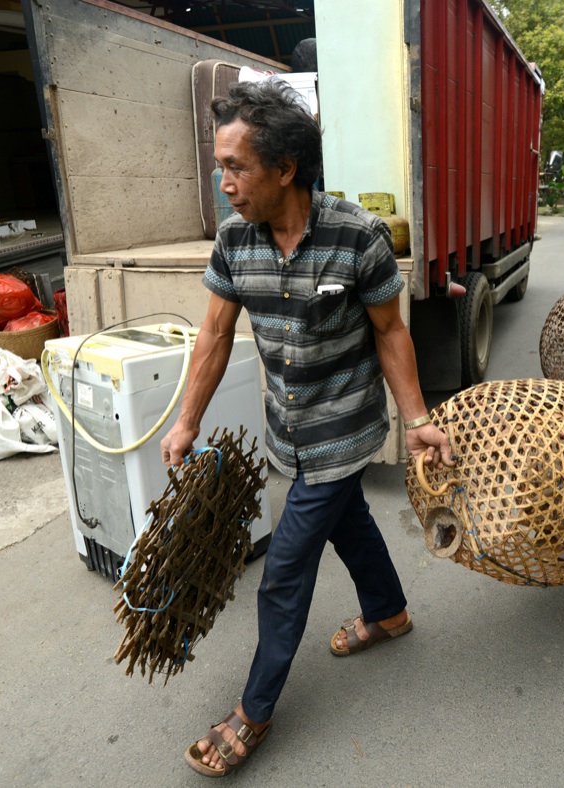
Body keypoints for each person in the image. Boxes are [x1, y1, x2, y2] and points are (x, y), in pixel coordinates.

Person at [160, 79, 453, 778]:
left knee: (285, 568)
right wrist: (186, 419)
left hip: (343, 430)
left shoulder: (358, 236)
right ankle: (388, 613)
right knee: (350, 521)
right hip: (285, 429)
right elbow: (213, 332)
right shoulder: (235, 241)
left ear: (285, 168)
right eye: (219, 166)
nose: (223, 183)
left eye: (235, 167)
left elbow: (389, 331)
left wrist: (415, 419)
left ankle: (253, 711)